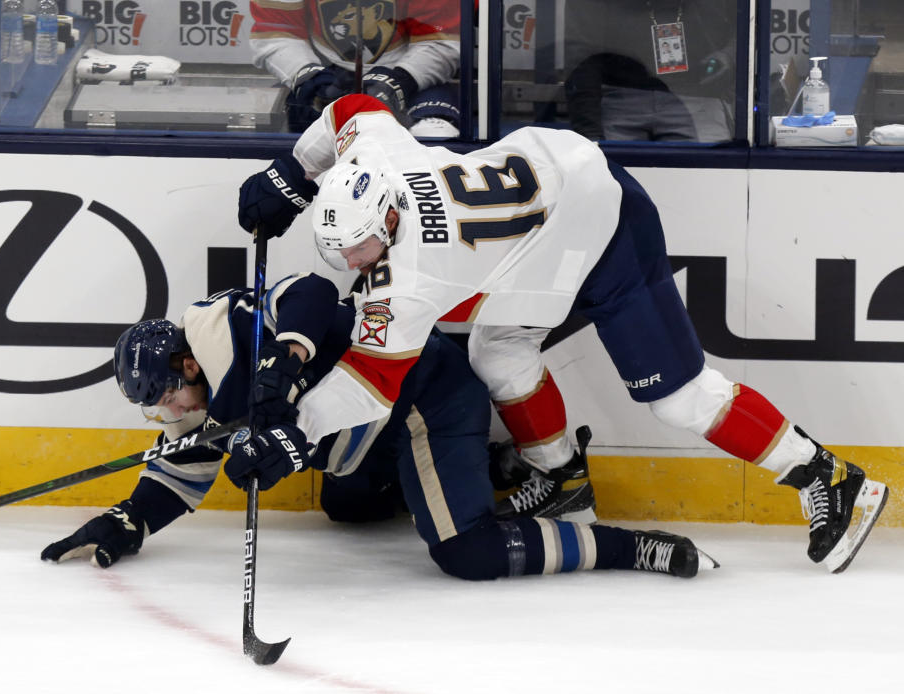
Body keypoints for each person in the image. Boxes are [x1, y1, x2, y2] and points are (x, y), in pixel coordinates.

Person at [235, 93, 890, 574]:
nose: (354, 264)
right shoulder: (378, 157)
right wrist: (294, 176)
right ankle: (562, 479)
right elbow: (353, 107)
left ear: (386, 213)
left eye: (360, 248)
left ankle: (826, 477)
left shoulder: (402, 278)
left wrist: (296, 437)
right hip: (542, 222)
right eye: (340, 252)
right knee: (496, 352)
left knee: (678, 397)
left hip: (604, 229)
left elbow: (369, 385)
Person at [40, 273, 717, 580]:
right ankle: (490, 472)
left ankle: (631, 549)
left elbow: (310, 289)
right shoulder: (198, 394)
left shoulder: (225, 330)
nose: (171, 415)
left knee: (467, 555)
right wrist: (129, 520)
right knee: (346, 506)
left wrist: (281, 367)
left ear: (187, 361)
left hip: (426, 392)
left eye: (167, 398)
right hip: (369, 434)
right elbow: (177, 475)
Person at [249, 0, 461, 136]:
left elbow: (440, 40)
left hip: (412, 75)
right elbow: (276, 32)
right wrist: (307, 74)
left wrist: (401, 80)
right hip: (328, 70)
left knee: (433, 133)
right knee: (303, 134)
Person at [563, 0, 737, 142]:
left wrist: (729, 55)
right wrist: (590, 134)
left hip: (700, 99)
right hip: (620, 100)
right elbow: (581, 55)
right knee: (612, 178)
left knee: (711, 177)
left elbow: (754, 22)